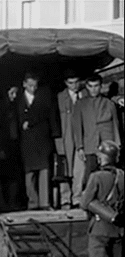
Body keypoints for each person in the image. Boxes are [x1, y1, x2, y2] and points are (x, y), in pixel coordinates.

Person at [80, 140, 124, 257]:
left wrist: (103, 212)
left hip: (99, 229)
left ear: (103, 158)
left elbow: (85, 203)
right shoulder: (123, 176)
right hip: (119, 229)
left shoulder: (95, 177)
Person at [17, 73, 62, 210]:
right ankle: (32, 202)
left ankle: (44, 203)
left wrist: (55, 135)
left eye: (35, 85)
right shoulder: (17, 98)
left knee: (44, 169)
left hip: (43, 137)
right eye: (30, 85)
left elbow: (50, 115)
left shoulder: (44, 96)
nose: (33, 88)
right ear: (24, 84)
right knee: (29, 172)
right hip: (26, 140)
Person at [73, 74, 121, 189]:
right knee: (90, 174)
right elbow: (78, 127)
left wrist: (117, 145)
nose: (93, 89)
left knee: (108, 174)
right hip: (90, 144)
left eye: (96, 86)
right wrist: (80, 146)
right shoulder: (80, 104)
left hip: (107, 144)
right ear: (87, 87)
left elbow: (115, 125)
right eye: (91, 86)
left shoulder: (109, 104)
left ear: (100, 86)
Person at [55, 70, 85, 209]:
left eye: (76, 82)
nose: (74, 86)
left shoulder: (84, 95)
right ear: (66, 83)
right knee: (64, 168)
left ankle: (77, 197)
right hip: (64, 136)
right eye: (71, 83)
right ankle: (65, 199)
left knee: (80, 168)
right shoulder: (59, 97)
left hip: (81, 136)